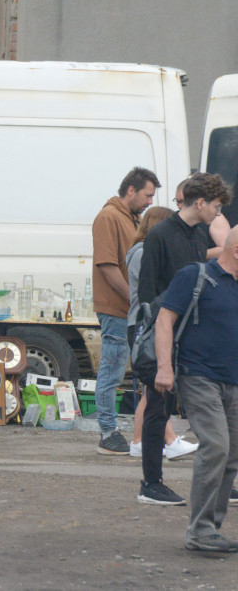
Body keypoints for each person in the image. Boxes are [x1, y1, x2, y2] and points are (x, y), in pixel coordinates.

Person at [137, 172, 231, 505]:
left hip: (190, 333)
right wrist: (152, 339)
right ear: (201, 202)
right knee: (157, 408)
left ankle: (219, 481)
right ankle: (151, 482)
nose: (218, 214)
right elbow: (148, 290)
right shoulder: (160, 235)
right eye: (216, 207)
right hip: (164, 331)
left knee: (201, 409)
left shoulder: (197, 235)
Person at [154, 226, 238, 552]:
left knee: (231, 455)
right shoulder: (196, 276)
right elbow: (164, 321)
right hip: (198, 376)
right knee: (216, 445)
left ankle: (209, 530)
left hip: (234, 381)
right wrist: (164, 367)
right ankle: (199, 530)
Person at [91, 167, 159, 456]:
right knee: (112, 370)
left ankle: (140, 433)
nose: (149, 202)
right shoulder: (108, 217)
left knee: (134, 369)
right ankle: (107, 432)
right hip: (117, 309)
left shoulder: (133, 218)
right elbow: (107, 265)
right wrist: (135, 299)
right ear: (131, 190)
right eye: (147, 195)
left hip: (131, 311)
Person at [125, 206, 197, 461]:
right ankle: (164, 440)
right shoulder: (142, 251)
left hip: (147, 322)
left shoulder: (141, 250)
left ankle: (141, 440)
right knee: (155, 386)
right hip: (145, 324)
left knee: (151, 389)